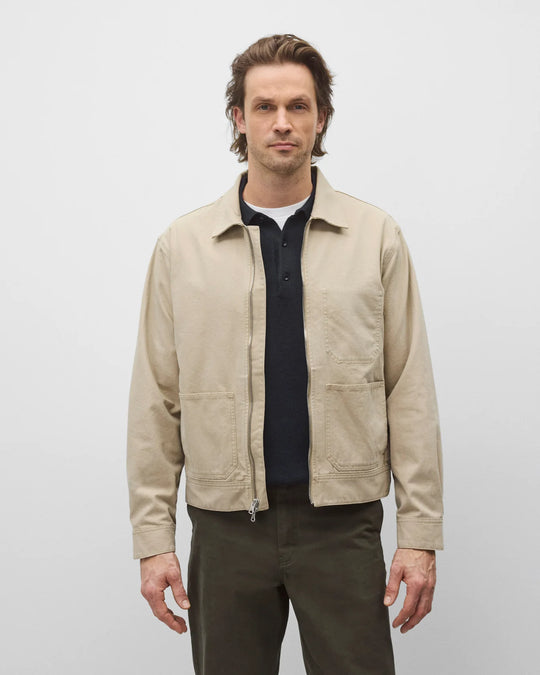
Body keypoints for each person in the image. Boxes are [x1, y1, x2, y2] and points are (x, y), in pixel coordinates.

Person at [127, 33, 443, 675]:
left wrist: (419, 534)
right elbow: (156, 398)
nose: (282, 122)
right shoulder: (183, 247)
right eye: (264, 106)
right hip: (225, 529)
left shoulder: (374, 237)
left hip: (343, 525)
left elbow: (408, 388)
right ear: (238, 118)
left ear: (321, 117)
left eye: (298, 106)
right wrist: (153, 540)